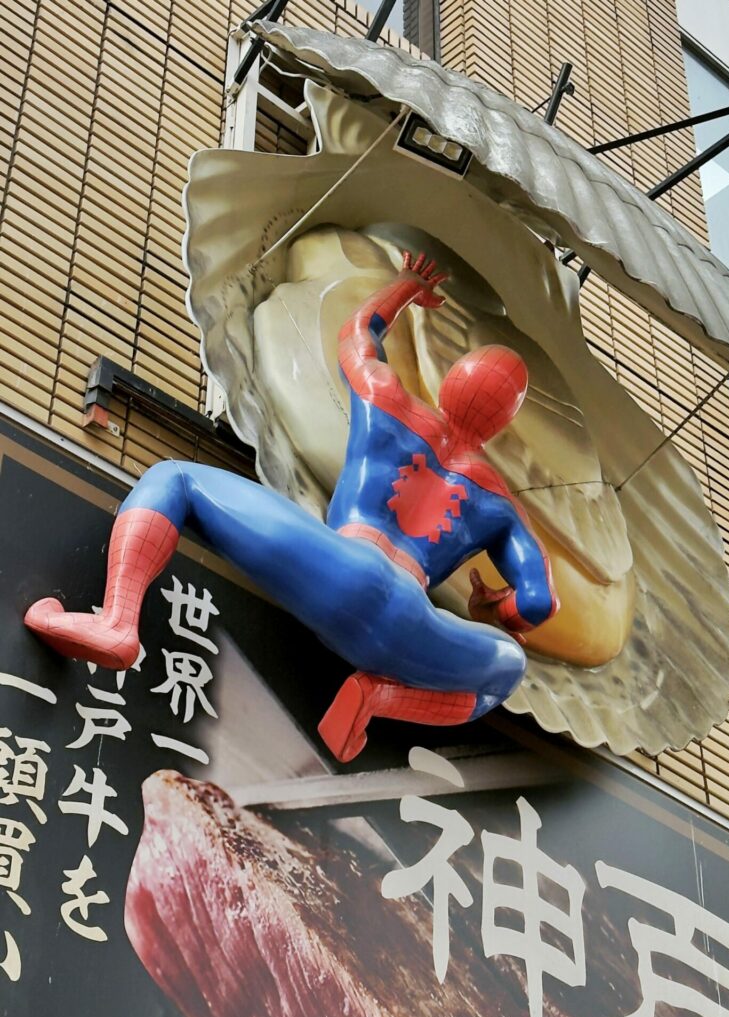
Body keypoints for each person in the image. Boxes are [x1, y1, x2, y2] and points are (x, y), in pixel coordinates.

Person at [25, 253, 559, 761]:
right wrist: (492, 609)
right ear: (500, 424)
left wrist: (407, 289)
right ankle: (377, 697)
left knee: (175, 477)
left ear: (452, 384)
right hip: (412, 622)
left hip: (338, 563)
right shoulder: (500, 502)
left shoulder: (388, 399)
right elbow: (537, 605)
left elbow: (358, 334)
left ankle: (119, 620)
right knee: (506, 670)